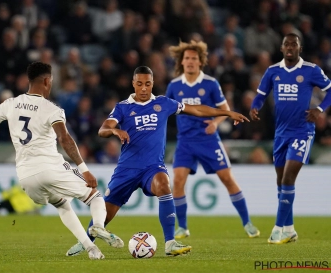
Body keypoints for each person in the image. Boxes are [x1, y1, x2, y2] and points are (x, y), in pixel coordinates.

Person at [0, 62, 124, 260]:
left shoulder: (10, 104)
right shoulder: (52, 109)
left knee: (62, 204)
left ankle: (91, 249)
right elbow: (65, 139)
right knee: (95, 197)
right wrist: (84, 169)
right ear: (47, 81)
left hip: (26, 177)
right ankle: (97, 227)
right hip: (50, 167)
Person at [66, 66, 250, 257]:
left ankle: (170, 243)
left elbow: (195, 109)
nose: (144, 88)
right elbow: (103, 129)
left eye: (147, 84)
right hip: (127, 169)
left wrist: (226, 113)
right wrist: (115, 130)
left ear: (152, 83)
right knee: (107, 212)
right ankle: (86, 243)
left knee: (164, 183)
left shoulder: (163, 103)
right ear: (133, 84)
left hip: (152, 167)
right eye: (139, 84)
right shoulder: (123, 107)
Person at [165, 40, 260, 240]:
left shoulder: (210, 83)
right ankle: (182, 227)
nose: (190, 62)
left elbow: (225, 110)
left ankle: (247, 222)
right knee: (178, 180)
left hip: (208, 140)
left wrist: (215, 123)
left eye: (194, 59)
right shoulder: (174, 86)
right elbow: (166, 111)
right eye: (187, 58)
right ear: (182, 62)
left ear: (200, 62)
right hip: (185, 142)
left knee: (227, 179)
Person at [250, 33, 331, 244]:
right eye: (286, 43)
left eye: (294, 44)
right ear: (281, 48)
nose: (290, 47)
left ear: (299, 49)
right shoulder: (273, 71)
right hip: (280, 134)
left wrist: (320, 109)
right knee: (281, 182)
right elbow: (260, 95)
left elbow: (330, 90)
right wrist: (254, 107)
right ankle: (290, 229)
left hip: (302, 132)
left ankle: (277, 229)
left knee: (288, 178)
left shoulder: (311, 70)